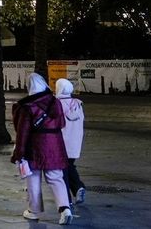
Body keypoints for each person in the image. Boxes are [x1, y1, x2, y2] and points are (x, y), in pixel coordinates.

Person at [12, 73, 72, 225]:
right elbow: (62, 123)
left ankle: (34, 211)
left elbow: (22, 132)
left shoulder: (27, 107)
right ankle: (65, 208)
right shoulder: (55, 102)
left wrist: (19, 153)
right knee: (56, 178)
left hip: (35, 147)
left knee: (33, 179)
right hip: (55, 145)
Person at [56, 78, 86, 208]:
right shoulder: (78, 104)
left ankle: (66, 201)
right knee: (69, 166)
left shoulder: (56, 104)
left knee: (61, 172)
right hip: (75, 143)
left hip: (60, 144)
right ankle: (78, 188)